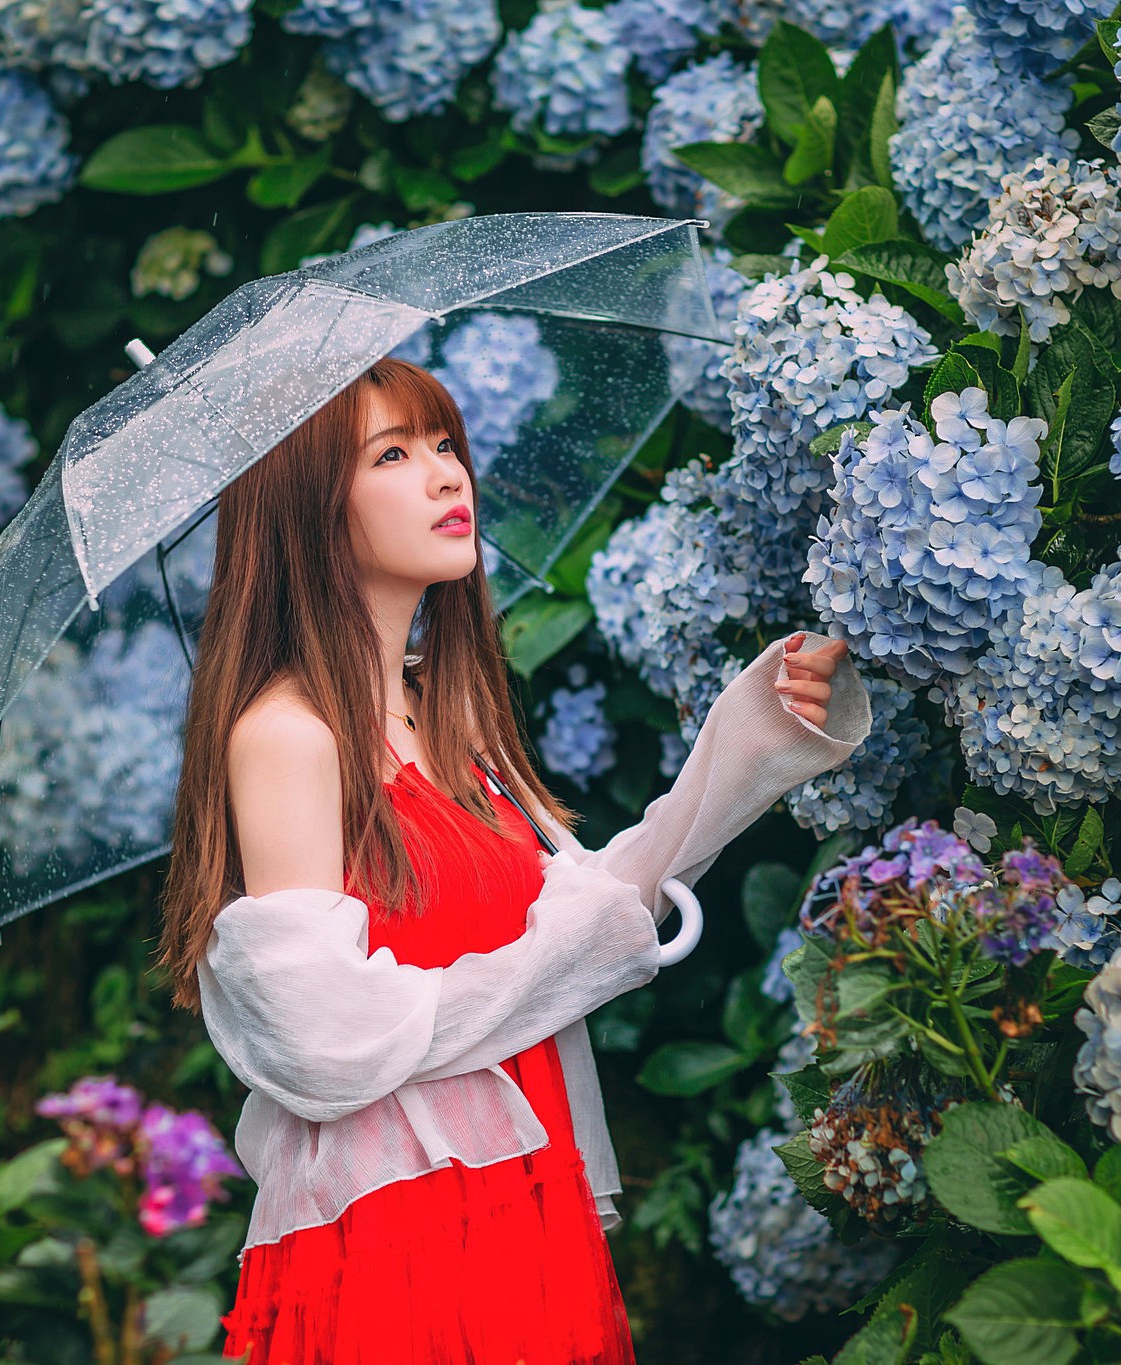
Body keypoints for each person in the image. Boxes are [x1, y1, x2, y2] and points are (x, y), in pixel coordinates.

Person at [154, 356, 871, 1362]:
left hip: (520, 1197)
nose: (449, 476)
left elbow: (598, 912)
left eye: (444, 444)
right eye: (393, 454)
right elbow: (321, 1044)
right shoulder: (288, 736)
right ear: (308, 508)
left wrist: (755, 733)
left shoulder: (447, 726)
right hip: (397, 1237)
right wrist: (555, 964)